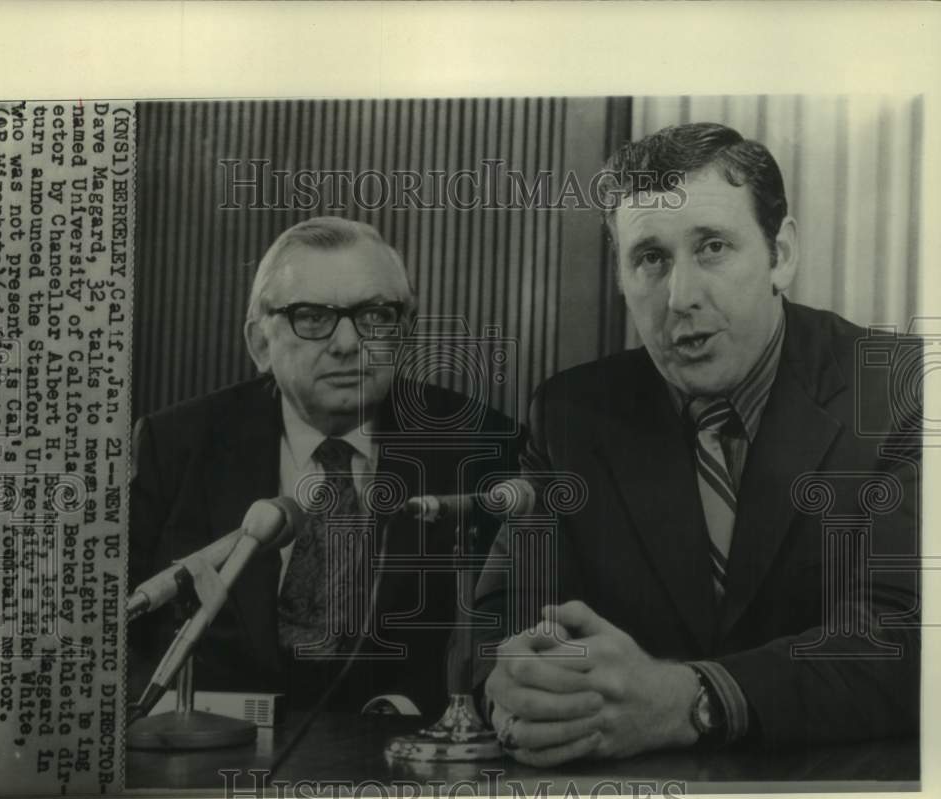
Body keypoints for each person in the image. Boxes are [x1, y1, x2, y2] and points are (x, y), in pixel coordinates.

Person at [475, 123, 921, 765]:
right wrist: (520, 682)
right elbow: (496, 619)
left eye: (712, 247)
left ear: (781, 255)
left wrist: (695, 697)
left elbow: (909, 636)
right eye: (650, 258)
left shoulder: (902, 394)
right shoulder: (573, 415)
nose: (680, 298)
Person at [129, 216, 519, 717]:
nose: (347, 344)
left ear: (405, 331)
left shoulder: (481, 446)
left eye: (375, 315)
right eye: (311, 317)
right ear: (260, 343)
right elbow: (110, 637)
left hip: (407, 760)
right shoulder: (176, 444)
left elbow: (505, 636)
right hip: (213, 756)